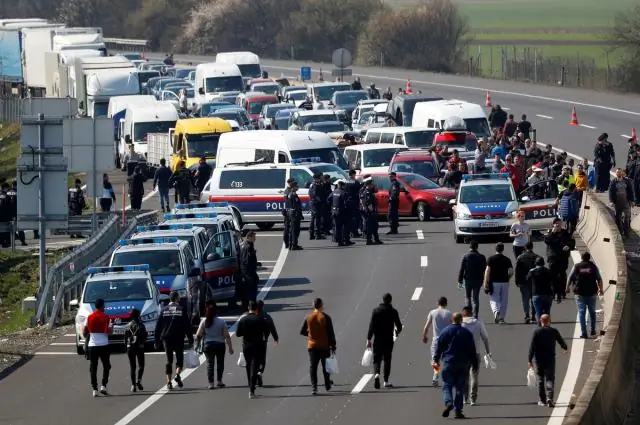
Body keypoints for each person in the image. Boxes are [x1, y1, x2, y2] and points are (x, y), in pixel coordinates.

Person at [433, 312, 478, 419]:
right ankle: (458, 410)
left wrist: (436, 359)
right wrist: (474, 362)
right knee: (460, 386)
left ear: (451, 320)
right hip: (463, 363)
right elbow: (472, 349)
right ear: (461, 320)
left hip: (449, 361)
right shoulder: (466, 333)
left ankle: (449, 402)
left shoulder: (446, 331)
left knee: (447, 384)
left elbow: (439, 346)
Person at [154, 291, 194, 390]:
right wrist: (190, 338)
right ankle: (177, 374)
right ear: (177, 298)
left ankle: (168, 381)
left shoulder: (164, 310)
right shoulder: (181, 309)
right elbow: (187, 325)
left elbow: (158, 327)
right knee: (179, 358)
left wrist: (156, 340)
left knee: (169, 359)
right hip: (178, 337)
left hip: (166, 338)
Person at [528, 314, 568, 407]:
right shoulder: (553, 331)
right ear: (550, 320)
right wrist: (565, 348)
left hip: (538, 360)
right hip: (550, 359)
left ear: (541, 321)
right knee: (550, 379)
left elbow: (532, 347)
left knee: (541, 379)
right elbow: (561, 341)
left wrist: (529, 360)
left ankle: (542, 400)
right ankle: (550, 397)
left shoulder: (536, 332)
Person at [300, 297, 337, 395]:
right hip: (324, 345)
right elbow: (330, 333)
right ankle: (327, 384)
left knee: (313, 367)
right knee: (326, 366)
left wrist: (310, 335)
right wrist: (333, 345)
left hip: (312, 345)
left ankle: (314, 387)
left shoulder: (308, 317)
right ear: (321, 305)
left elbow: (302, 331)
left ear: (313, 305)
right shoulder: (325, 317)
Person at [366, 293, 403, 389]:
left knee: (376, 358)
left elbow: (371, 326)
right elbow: (399, 326)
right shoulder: (393, 311)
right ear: (390, 300)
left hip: (378, 338)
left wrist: (369, 338)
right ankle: (386, 380)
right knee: (387, 359)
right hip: (388, 339)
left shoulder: (376, 311)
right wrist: (397, 331)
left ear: (382, 300)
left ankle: (376, 373)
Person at [236, 301, 271, 399]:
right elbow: (267, 332)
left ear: (248, 307)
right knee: (254, 366)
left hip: (247, 345)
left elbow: (238, 334)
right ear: (256, 308)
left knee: (248, 365)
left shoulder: (243, 320)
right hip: (258, 345)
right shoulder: (260, 319)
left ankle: (250, 385)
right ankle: (252, 389)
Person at [196, 300, 234, 389]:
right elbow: (227, 336)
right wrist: (230, 348)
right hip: (220, 345)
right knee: (220, 363)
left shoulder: (204, 321)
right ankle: (219, 381)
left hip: (208, 345)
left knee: (210, 364)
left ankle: (211, 383)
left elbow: (198, 335)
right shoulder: (221, 322)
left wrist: (197, 345)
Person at [567, 252, 604, 338]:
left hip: (579, 293)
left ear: (582, 258)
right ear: (589, 258)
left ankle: (584, 332)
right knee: (592, 312)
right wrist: (601, 289)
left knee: (581, 313)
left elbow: (570, 277)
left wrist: (567, 288)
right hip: (592, 293)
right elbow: (599, 279)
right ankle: (593, 330)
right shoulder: (593, 267)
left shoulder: (577, 266)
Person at [461, 306, 490, 406]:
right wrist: (488, 352)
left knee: (464, 376)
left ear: (463, 313)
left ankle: (465, 398)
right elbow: (485, 338)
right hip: (476, 353)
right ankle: (473, 398)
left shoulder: (460, 324)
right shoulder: (478, 323)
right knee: (474, 376)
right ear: (471, 313)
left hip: (463, 354)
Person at [83, 298, 112, 397]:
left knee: (93, 367)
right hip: (104, 344)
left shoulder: (89, 317)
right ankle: (103, 385)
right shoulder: (106, 317)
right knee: (106, 366)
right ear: (102, 306)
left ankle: (94, 389)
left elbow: (84, 331)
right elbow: (109, 331)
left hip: (92, 345)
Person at [422, 297, 453, 387]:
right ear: (446, 303)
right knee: (447, 359)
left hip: (436, 339)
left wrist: (424, 336)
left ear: (437, 303)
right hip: (447, 340)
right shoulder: (449, 313)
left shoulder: (433, 312)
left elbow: (426, 326)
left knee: (435, 359)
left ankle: (435, 376)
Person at [544, 218, 575, 303]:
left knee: (562, 275)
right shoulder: (549, 232)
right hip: (553, 258)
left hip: (563, 257)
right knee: (553, 276)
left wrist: (568, 246)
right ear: (553, 225)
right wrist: (553, 233)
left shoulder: (565, 233)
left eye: (559, 224)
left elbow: (572, 242)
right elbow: (547, 241)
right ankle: (554, 293)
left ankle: (562, 292)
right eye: (556, 224)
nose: (558, 226)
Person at [484, 242, 513, 324]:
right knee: (504, 300)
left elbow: (487, 271)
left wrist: (486, 282)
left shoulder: (491, 259)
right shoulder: (507, 259)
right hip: (505, 282)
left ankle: (496, 312)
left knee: (493, 299)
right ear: (503, 249)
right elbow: (511, 271)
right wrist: (508, 278)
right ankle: (502, 318)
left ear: (495, 249)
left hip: (494, 282)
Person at [457, 240, 487, 318]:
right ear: (477, 247)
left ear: (469, 247)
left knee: (468, 296)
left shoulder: (466, 256)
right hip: (478, 280)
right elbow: (485, 270)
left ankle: (468, 314)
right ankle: (475, 315)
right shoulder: (482, 257)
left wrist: (459, 281)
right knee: (476, 298)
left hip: (468, 279)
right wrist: (485, 281)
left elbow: (462, 269)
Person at [515, 241, 540, 324]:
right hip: (534, 282)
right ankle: (533, 316)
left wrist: (517, 281)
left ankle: (526, 315)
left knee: (525, 299)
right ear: (532, 247)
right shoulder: (537, 257)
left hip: (523, 281)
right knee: (533, 299)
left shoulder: (520, 257)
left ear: (525, 248)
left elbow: (517, 270)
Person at [256, 300, 279, 386]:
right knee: (262, 359)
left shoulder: (251, 316)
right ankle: (260, 372)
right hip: (262, 340)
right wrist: (275, 338)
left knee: (253, 358)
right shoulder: (266, 316)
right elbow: (272, 328)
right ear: (263, 306)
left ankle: (254, 373)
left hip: (251, 341)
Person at [526, 257, 555, 325]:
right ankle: (547, 328)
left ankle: (540, 330)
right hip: (547, 294)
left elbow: (527, 279)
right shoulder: (548, 271)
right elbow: (553, 282)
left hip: (536, 294)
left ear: (535, 263)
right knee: (547, 313)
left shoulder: (532, 271)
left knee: (539, 314)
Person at [124, 308, 147, 393]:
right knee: (141, 365)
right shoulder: (141, 325)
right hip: (139, 347)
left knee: (132, 367)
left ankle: (133, 385)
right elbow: (144, 337)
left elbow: (125, 338)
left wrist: (126, 347)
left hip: (130, 348)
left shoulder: (127, 326)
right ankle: (139, 380)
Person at [608, 168, 634, 237]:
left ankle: (626, 232)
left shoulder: (626, 181)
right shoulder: (613, 182)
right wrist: (611, 201)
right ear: (616, 173)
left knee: (626, 217)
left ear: (622, 173)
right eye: (617, 172)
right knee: (617, 218)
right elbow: (610, 192)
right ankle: (619, 231)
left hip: (626, 202)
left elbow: (631, 191)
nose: (618, 174)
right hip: (617, 203)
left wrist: (632, 201)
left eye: (620, 172)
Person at [240, 231, 259, 310]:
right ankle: (251, 305)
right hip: (248, 272)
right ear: (249, 237)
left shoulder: (247, 245)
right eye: (253, 237)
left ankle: (247, 304)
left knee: (248, 289)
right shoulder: (247, 247)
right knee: (251, 289)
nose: (255, 238)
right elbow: (246, 260)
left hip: (248, 271)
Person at [331, 180, 350, 246]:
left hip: (334, 211)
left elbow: (328, 200)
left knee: (337, 227)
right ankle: (346, 240)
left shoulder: (334, 192)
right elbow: (347, 203)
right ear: (343, 186)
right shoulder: (344, 193)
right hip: (342, 212)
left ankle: (338, 240)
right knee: (345, 227)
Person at [309, 173, 327, 240]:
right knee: (317, 219)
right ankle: (317, 234)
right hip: (316, 204)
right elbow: (314, 195)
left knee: (313, 218)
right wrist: (320, 200)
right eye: (320, 177)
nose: (322, 178)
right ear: (317, 178)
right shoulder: (315, 185)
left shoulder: (314, 184)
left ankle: (312, 233)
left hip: (314, 203)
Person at [345, 169, 362, 238]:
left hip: (347, 201)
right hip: (354, 201)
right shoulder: (356, 182)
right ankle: (355, 232)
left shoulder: (346, 181)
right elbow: (359, 191)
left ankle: (350, 232)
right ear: (353, 174)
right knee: (356, 217)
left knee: (350, 218)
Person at [287, 182, 303, 250]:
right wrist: (299, 214)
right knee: (295, 230)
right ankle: (294, 245)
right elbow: (295, 206)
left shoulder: (291, 194)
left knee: (293, 230)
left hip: (293, 213)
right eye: (296, 186)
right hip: (295, 213)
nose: (297, 187)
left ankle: (291, 244)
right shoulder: (293, 195)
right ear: (293, 187)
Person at [282, 178, 296, 248]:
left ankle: (287, 243)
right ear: (290, 183)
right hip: (289, 211)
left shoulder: (286, 191)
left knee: (287, 228)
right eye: (293, 182)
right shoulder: (289, 191)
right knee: (288, 228)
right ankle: (288, 243)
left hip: (286, 210)